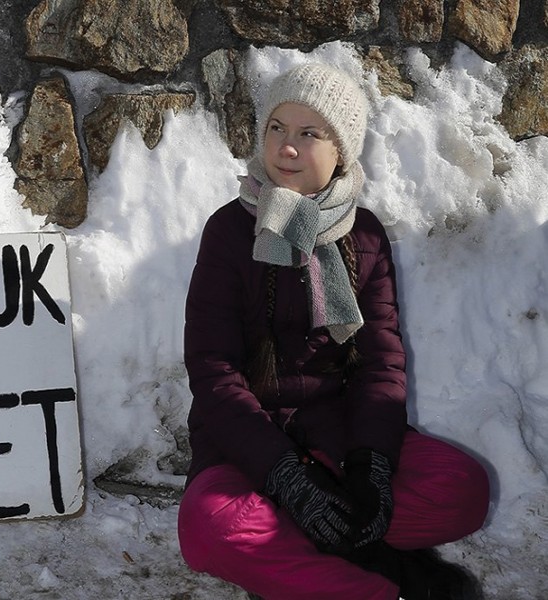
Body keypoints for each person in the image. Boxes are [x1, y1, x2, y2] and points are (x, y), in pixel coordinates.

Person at [177, 63, 490, 600]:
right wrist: (285, 478)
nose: (287, 148)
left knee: (463, 489)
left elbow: (380, 364)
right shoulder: (229, 230)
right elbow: (212, 370)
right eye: (276, 128)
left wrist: (370, 465)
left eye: (308, 133)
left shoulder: (364, 235)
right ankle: (387, 580)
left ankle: (303, 556)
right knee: (209, 531)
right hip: (247, 450)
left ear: (341, 150)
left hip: (340, 435)